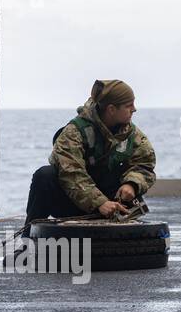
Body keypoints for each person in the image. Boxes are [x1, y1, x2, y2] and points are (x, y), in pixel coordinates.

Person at [26, 80, 156, 226]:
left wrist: (132, 184)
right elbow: (71, 173)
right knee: (44, 176)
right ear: (111, 109)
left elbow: (144, 164)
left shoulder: (131, 134)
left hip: (114, 206)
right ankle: (29, 235)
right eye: (128, 105)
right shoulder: (74, 132)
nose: (134, 109)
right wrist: (99, 203)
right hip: (74, 202)